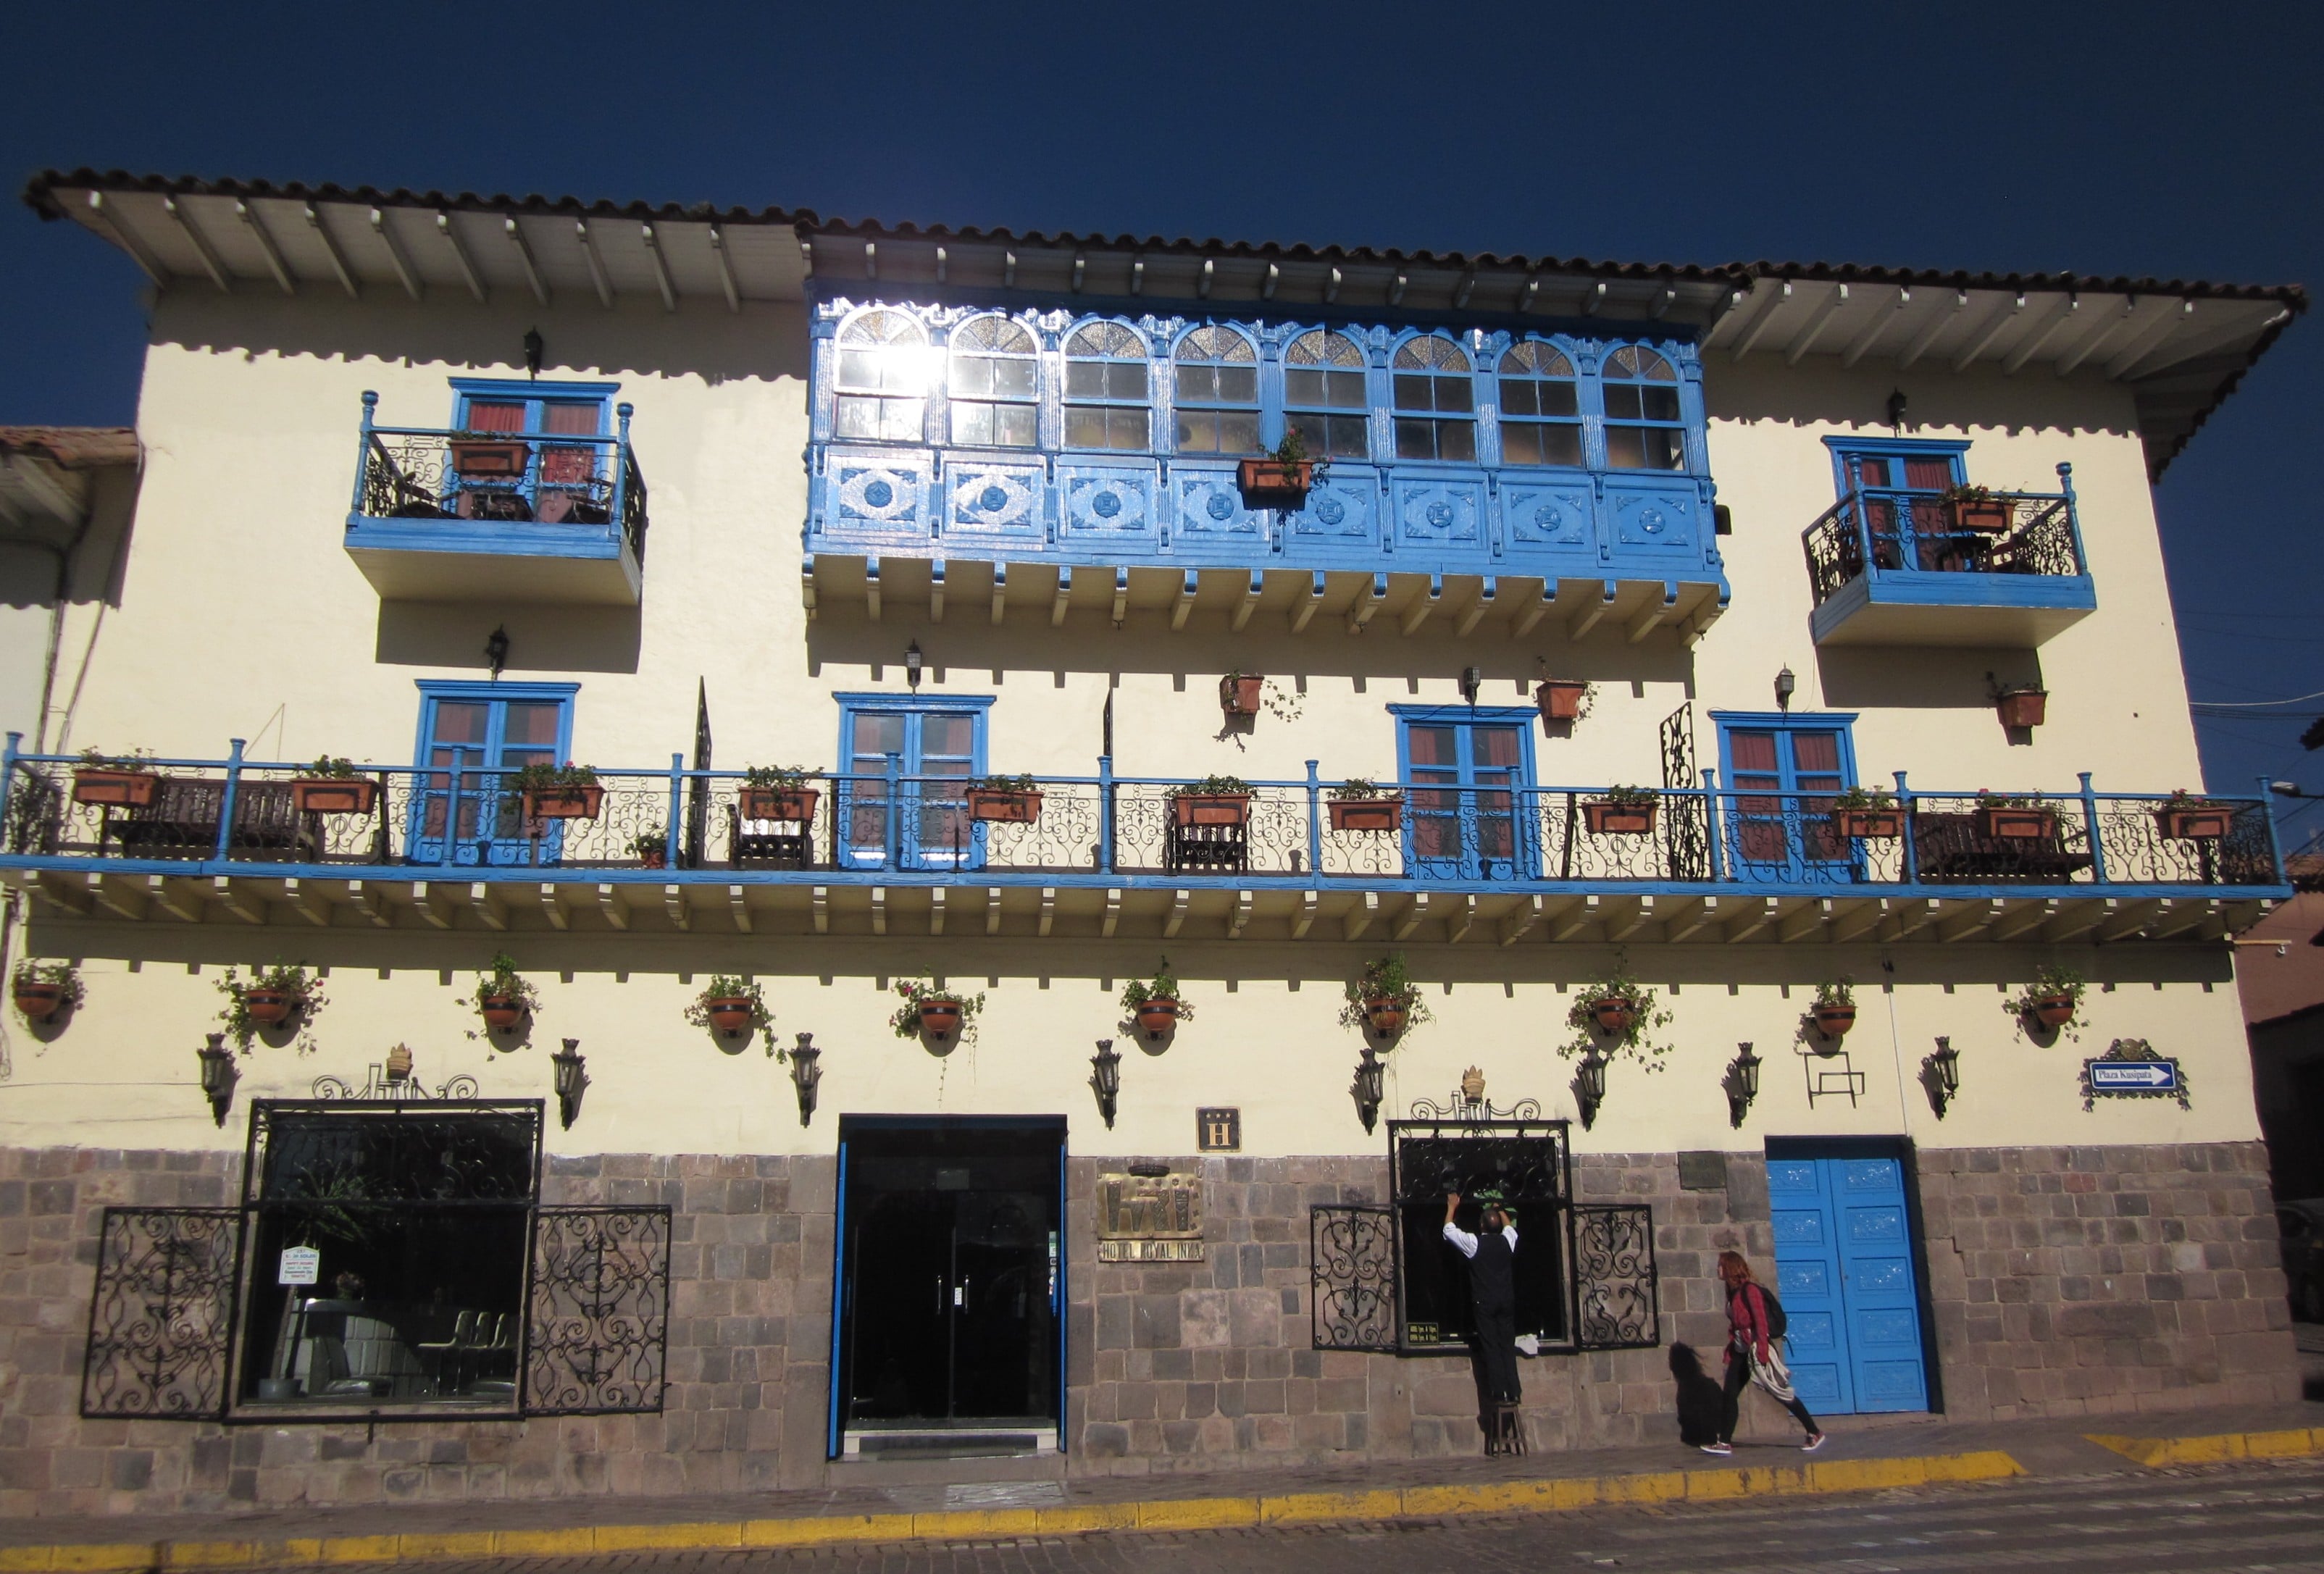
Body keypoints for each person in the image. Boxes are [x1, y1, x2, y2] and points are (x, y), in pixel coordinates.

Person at [1704, 1249, 1823, 1454]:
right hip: (1741, 1351)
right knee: (1730, 1394)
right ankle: (1724, 1442)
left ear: (1730, 1267)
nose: (1718, 1269)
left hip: (1756, 1348)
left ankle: (1814, 1431)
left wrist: (1762, 1352)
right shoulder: (1732, 1292)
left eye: (1721, 1265)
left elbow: (1760, 1322)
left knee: (1779, 1391)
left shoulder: (1750, 1290)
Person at [1442, 1190, 1521, 1416]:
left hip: (1485, 1301)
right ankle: (1514, 1390)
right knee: (1507, 1345)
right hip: (1506, 1300)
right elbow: (1510, 1228)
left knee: (1491, 1345)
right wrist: (1499, 1208)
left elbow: (1449, 1231)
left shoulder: (1475, 1244)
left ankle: (1499, 1391)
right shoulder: (1507, 1242)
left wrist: (1452, 1207)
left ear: (1481, 1225)